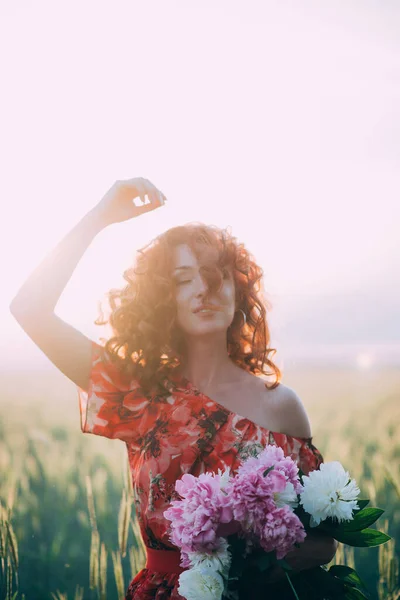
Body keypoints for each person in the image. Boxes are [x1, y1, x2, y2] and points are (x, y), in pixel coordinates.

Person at [10, 177, 338, 599]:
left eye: (216, 275)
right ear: (165, 297)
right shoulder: (137, 392)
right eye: (185, 279)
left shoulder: (282, 407)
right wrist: (98, 218)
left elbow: (324, 539)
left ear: (237, 289)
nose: (203, 289)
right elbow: (29, 309)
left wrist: (256, 563)